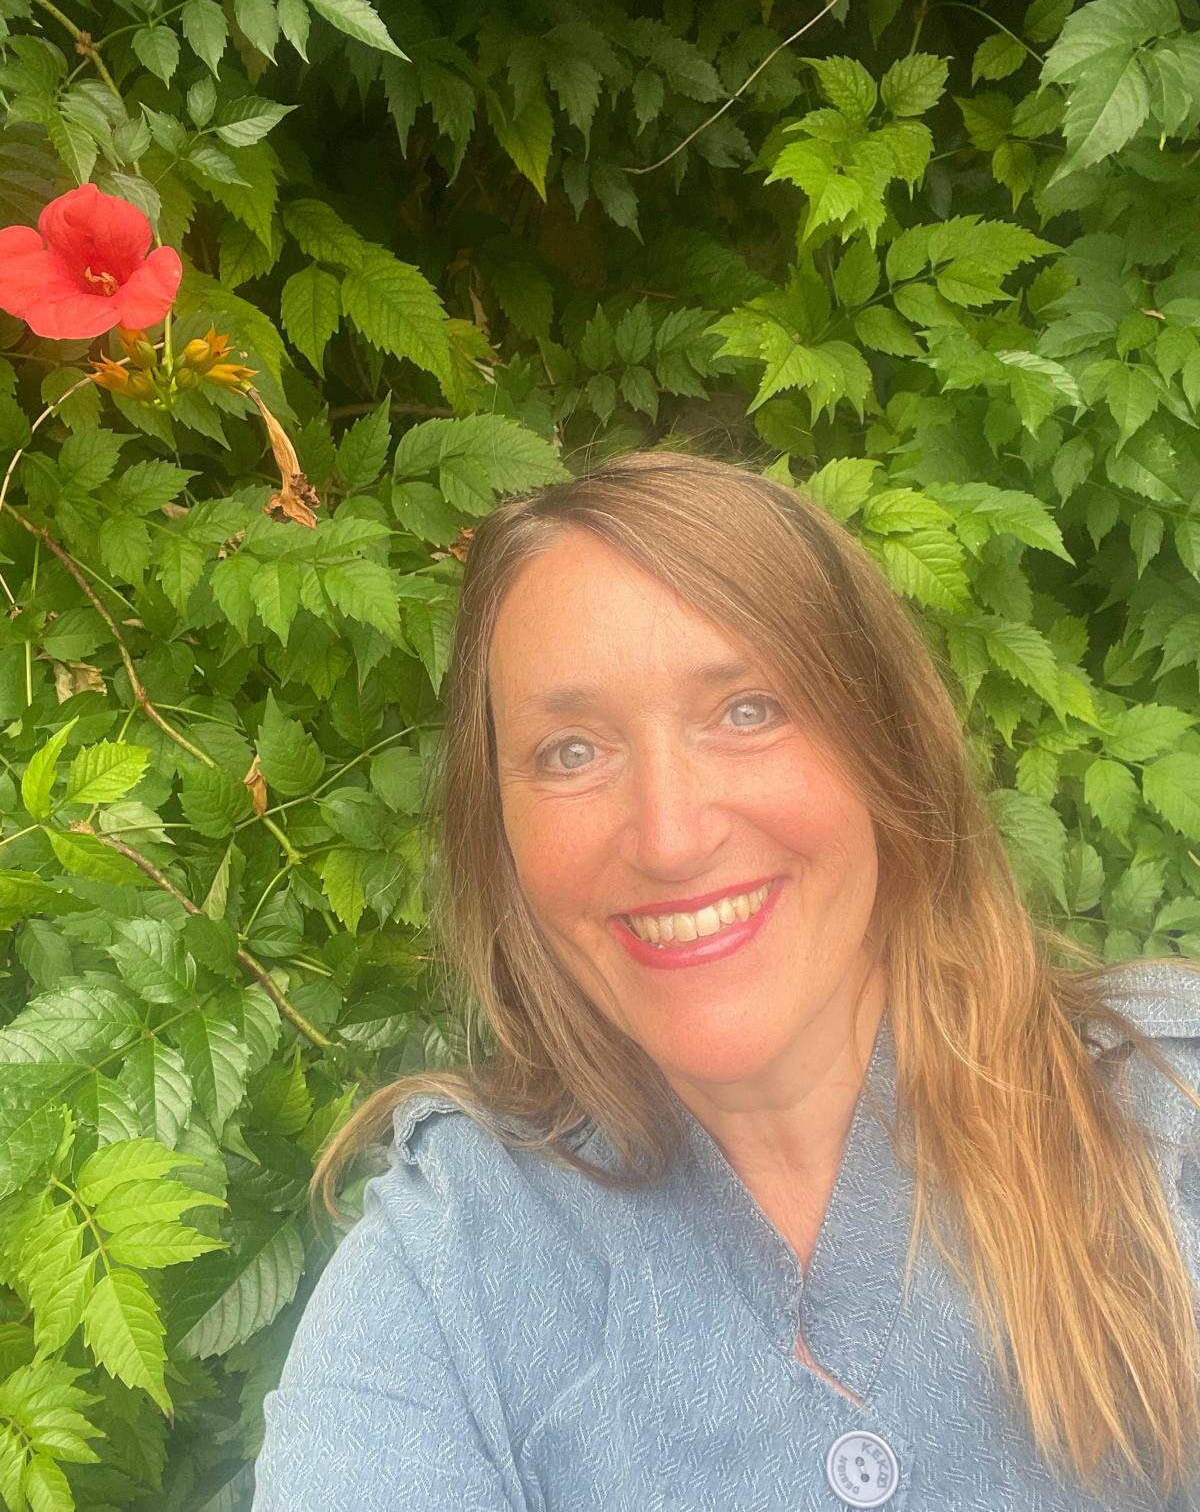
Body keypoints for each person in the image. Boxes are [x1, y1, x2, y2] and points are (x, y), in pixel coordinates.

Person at [250, 448, 1200, 1511]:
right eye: (571, 751)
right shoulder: (455, 1262)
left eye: (747, 711)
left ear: (887, 747)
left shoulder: (1168, 1117)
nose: (669, 837)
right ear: (500, 831)